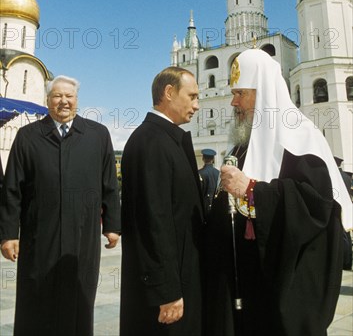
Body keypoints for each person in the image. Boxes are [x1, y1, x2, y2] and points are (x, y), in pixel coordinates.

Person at [205, 49, 352, 336]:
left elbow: (316, 207)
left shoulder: (301, 137)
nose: (234, 102)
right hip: (243, 284)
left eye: (240, 93)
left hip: (283, 284)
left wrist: (251, 189)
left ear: (264, 93)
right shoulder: (240, 144)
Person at [0, 75, 121, 336]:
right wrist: (9, 234)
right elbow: (12, 189)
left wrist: (112, 225)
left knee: (79, 301)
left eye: (69, 96)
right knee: (37, 300)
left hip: (83, 237)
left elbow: (109, 184)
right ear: (48, 100)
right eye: (57, 96)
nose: (63, 101)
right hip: (40, 237)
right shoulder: (28, 136)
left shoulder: (97, 135)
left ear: (77, 100)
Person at [120, 66, 205, 336]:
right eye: (191, 96)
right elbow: (153, 221)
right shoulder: (152, 141)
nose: (197, 105)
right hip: (166, 294)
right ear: (169, 93)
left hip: (178, 279)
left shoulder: (166, 138)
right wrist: (166, 291)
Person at [334, 156, 353, 270]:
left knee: (342, 235)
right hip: (347, 206)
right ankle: (348, 261)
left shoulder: (337, 176)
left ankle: (345, 261)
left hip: (339, 206)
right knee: (347, 234)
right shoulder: (346, 176)